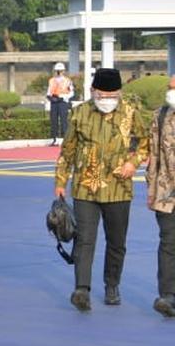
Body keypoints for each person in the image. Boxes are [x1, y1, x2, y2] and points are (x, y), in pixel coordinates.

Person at [55, 67, 148, 312]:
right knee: (84, 240)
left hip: (119, 188)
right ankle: (82, 289)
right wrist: (60, 182)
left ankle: (112, 285)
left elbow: (146, 142)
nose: (106, 99)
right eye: (102, 94)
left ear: (119, 93)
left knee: (117, 241)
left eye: (111, 95)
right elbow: (68, 150)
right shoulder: (79, 113)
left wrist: (133, 162)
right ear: (93, 91)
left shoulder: (130, 112)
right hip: (86, 188)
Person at [146, 74, 175, 318]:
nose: (170, 91)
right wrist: (151, 189)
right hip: (167, 194)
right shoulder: (161, 115)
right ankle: (167, 295)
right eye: (169, 87)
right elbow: (153, 156)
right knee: (168, 243)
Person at [47, 62, 75, 146]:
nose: (58, 72)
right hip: (54, 102)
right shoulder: (51, 80)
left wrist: (63, 97)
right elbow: (49, 92)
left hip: (63, 102)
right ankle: (54, 139)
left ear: (63, 71)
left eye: (60, 70)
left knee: (64, 121)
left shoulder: (67, 81)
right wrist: (50, 97)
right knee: (53, 121)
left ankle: (65, 139)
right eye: (57, 71)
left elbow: (72, 93)